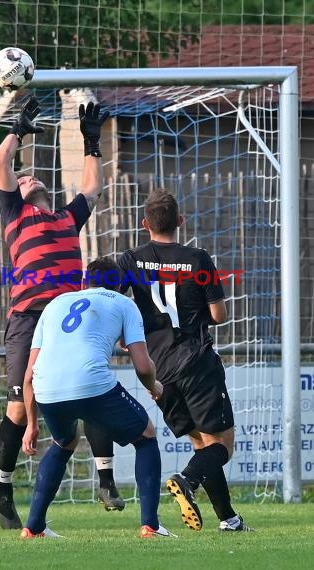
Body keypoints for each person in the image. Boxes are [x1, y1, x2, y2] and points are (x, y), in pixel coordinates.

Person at [0, 95, 124, 530]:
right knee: (17, 408)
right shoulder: (14, 214)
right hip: (29, 318)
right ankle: (3, 490)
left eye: (29, 174)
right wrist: (17, 129)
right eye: (22, 176)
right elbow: (1, 166)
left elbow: (92, 188)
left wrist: (92, 143)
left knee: (90, 387)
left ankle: (105, 477)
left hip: (68, 316)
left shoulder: (68, 218)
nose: (25, 176)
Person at [118, 190, 253, 532]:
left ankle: (229, 519)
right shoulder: (198, 258)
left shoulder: (130, 259)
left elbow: (111, 305)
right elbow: (219, 314)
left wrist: (126, 341)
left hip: (156, 368)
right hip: (195, 361)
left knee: (200, 442)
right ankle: (187, 480)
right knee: (221, 445)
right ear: (180, 221)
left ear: (145, 223)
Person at [20, 256, 176, 539]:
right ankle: (151, 526)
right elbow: (143, 365)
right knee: (146, 435)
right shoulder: (123, 303)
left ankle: (33, 528)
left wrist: (31, 423)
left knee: (64, 441)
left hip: (46, 388)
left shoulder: (55, 304)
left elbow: (28, 375)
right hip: (90, 383)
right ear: (119, 286)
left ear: (84, 283)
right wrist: (155, 386)